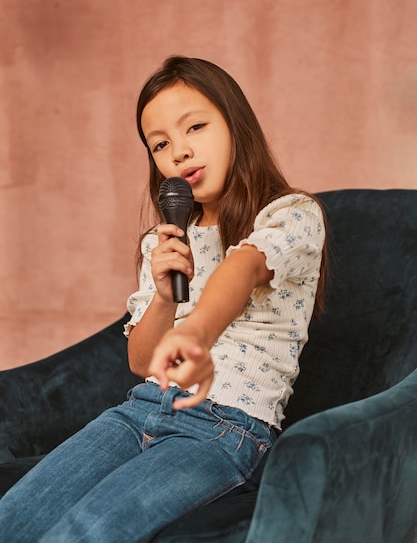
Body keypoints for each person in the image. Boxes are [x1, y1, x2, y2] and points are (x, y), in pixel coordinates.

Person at [0, 56, 327, 542]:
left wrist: (195, 333)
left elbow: (241, 270)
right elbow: (141, 359)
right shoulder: (166, 239)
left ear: (236, 125)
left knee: (84, 532)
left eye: (195, 126)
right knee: (14, 518)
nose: (179, 152)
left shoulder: (291, 215)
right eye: (161, 144)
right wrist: (164, 296)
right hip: (140, 409)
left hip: (223, 428)